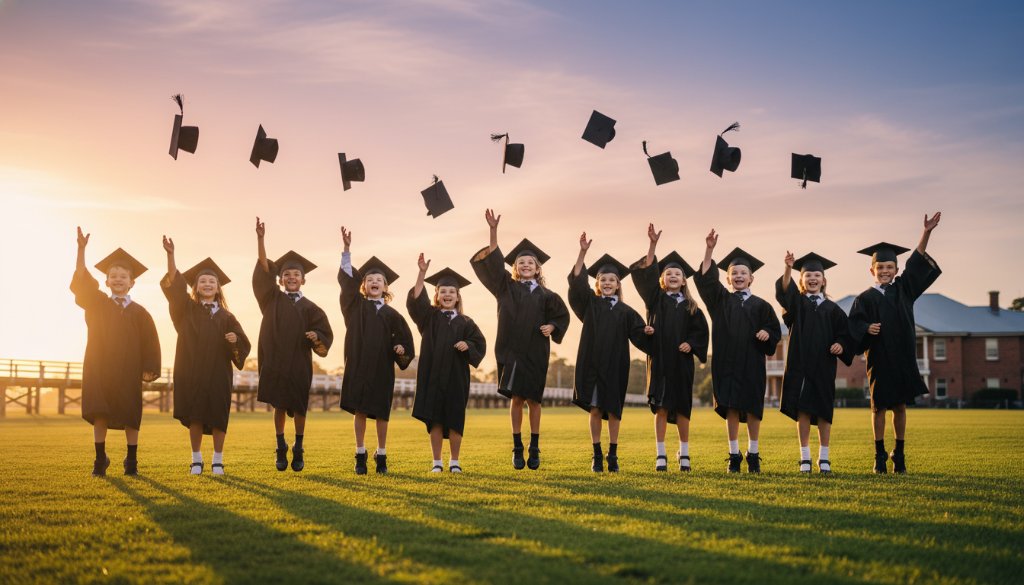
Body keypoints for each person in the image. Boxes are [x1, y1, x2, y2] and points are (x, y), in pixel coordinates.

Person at [470, 209, 570, 470]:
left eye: (530, 263)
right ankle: (517, 447)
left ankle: (534, 446)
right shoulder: (506, 287)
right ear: (514, 268)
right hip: (512, 351)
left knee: (534, 400)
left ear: (538, 269)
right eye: (521, 263)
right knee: (516, 399)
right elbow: (493, 262)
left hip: (536, 351)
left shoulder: (548, 296)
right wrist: (493, 231)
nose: (525, 266)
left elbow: (561, 316)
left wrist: (552, 326)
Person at [849, 213, 942, 474]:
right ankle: (879, 453)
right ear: (872, 270)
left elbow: (915, 263)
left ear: (896, 270)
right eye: (881, 268)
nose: (885, 271)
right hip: (878, 358)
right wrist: (867, 327)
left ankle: (898, 453)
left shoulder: (904, 290)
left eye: (890, 267)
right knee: (878, 407)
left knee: (900, 406)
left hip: (902, 357)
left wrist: (926, 233)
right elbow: (853, 325)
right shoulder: (864, 298)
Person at [71, 227, 160, 477]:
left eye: (123, 276)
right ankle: (100, 459)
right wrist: (81, 250)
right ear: (107, 281)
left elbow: (150, 342)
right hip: (99, 367)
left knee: (131, 414)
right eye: (113, 276)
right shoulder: (97, 303)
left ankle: (131, 461)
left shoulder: (141, 313)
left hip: (128, 370)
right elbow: (81, 281)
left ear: (132, 283)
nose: (118, 279)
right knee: (101, 411)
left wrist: (148, 367)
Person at [162, 236, 251, 475]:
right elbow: (175, 287)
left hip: (219, 374)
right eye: (203, 281)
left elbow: (242, 344)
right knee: (196, 416)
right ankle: (196, 459)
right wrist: (171, 256)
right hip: (191, 372)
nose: (208, 284)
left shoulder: (227, 317)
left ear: (218, 287)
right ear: (196, 287)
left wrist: (235, 341)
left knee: (219, 416)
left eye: (212, 281)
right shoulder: (186, 310)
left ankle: (218, 460)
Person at [695, 230, 781, 473]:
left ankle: (753, 454)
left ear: (751, 278)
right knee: (731, 407)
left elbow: (774, 331)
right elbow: (706, 281)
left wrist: (767, 333)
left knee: (753, 408)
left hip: (752, 363)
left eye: (743, 273)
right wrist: (709, 250)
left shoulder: (762, 306)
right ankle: (734, 454)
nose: (739, 276)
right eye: (734, 274)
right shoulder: (720, 301)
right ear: (728, 279)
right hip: (727, 364)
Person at [253, 218, 333, 472]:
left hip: (299, 363)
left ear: (303, 279)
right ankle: (280, 445)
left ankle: (298, 447)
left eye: (296, 274)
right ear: (280, 279)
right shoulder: (271, 299)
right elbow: (264, 271)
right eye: (286, 274)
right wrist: (261, 240)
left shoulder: (311, 307)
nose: (291, 277)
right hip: (275, 361)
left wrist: (315, 337)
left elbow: (324, 333)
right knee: (279, 404)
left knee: (299, 406)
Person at [569, 233, 653, 472]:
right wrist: (582, 253)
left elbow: (638, 334)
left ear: (618, 284)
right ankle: (596, 455)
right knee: (595, 409)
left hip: (615, 366)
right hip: (592, 365)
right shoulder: (590, 305)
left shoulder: (626, 312)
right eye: (603, 280)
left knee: (614, 412)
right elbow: (576, 284)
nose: (607, 283)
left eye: (611, 280)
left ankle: (612, 454)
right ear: (597, 284)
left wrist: (647, 331)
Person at [629, 223, 708, 472]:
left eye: (677, 274)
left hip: (682, 363)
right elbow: (644, 276)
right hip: (661, 361)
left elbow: (701, 332)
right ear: (662, 279)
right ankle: (660, 453)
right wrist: (652, 246)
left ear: (684, 280)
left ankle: (684, 453)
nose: (673, 277)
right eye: (668, 274)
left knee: (683, 408)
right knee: (661, 407)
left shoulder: (692, 307)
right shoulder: (656, 299)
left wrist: (692, 344)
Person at [338, 227, 415, 475]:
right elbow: (346, 283)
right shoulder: (354, 307)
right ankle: (360, 453)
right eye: (369, 280)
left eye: (378, 280)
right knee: (360, 410)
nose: (374, 282)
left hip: (382, 369)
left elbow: (405, 344)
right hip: (358, 365)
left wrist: (400, 349)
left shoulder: (393, 315)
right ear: (363, 286)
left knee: (382, 413)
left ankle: (381, 454)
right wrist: (347, 250)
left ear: (385, 286)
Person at [407, 256, 487, 473]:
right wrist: (422, 273)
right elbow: (415, 300)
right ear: (437, 295)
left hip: (456, 377)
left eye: (451, 292)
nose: (447, 295)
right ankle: (436, 462)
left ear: (458, 296)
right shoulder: (429, 317)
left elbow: (480, 343)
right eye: (443, 291)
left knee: (454, 419)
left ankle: (454, 462)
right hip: (432, 376)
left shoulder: (466, 322)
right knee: (435, 420)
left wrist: (468, 345)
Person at [776, 251, 853, 474]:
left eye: (816, 275)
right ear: (801, 280)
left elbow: (845, 334)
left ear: (823, 280)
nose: (812, 279)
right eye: (808, 275)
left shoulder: (833, 309)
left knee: (823, 411)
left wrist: (840, 345)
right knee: (803, 411)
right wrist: (788, 268)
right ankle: (805, 457)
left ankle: (824, 457)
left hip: (824, 366)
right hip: (800, 365)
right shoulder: (796, 304)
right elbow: (784, 291)